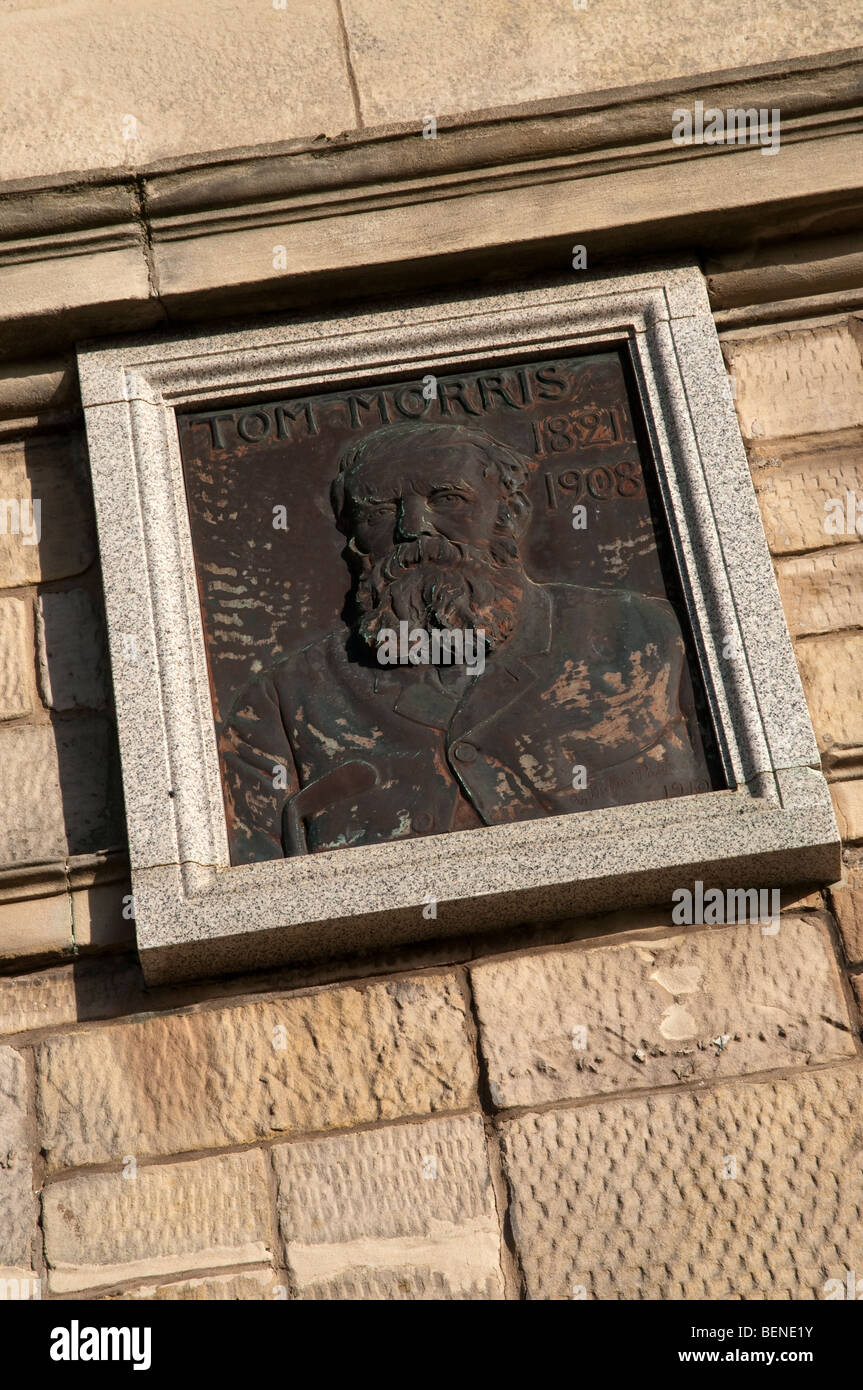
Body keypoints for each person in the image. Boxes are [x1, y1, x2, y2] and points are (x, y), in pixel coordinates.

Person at [220, 420, 708, 860]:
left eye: (448, 499)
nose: (414, 528)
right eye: (379, 513)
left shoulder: (647, 633)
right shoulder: (284, 702)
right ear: (356, 540)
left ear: (509, 514)